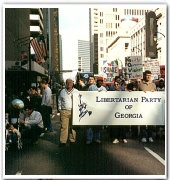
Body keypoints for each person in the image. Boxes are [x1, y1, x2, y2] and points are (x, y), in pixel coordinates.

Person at [58, 78, 79, 147]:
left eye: (70, 82)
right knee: (64, 126)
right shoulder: (62, 91)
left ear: (72, 83)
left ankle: (72, 140)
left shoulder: (76, 91)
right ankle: (63, 141)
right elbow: (59, 101)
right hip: (64, 111)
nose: (69, 84)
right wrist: (60, 109)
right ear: (65, 83)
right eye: (67, 82)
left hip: (74, 111)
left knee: (72, 126)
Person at [86, 76, 107, 145]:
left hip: (99, 109)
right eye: (99, 81)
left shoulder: (104, 89)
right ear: (96, 81)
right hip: (91, 108)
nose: (100, 82)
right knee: (90, 124)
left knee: (97, 125)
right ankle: (89, 139)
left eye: (101, 81)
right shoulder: (91, 87)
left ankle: (97, 138)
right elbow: (87, 96)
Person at [137, 70, 156, 143]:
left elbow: (157, 96)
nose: (148, 77)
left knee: (150, 122)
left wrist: (154, 93)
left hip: (151, 107)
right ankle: (143, 136)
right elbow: (136, 95)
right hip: (142, 106)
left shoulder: (153, 85)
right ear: (144, 76)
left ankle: (150, 136)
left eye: (149, 75)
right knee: (143, 121)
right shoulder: (140, 85)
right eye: (147, 75)